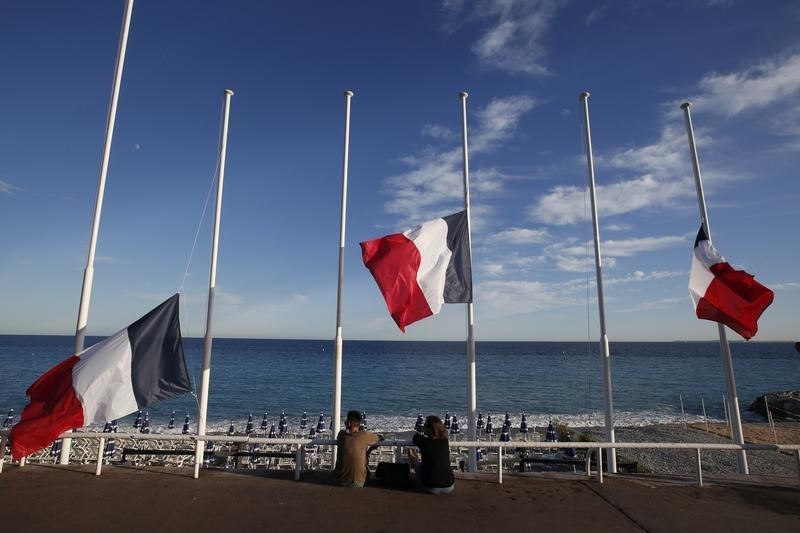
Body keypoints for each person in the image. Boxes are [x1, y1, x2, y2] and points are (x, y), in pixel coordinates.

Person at [333, 410, 382, 487]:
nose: (345, 423)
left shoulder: (341, 435)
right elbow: (380, 438)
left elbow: (343, 436)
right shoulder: (365, 436)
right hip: (359, 482)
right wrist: (370, 449)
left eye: (346, 421)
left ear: (349, 423)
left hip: (341, 480)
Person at [409, 415, 455, 494]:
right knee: (422, 466)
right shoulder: (445, 441)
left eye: (425, 426)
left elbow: (415, 437)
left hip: (431, 487)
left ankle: (414, 463)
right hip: (450, 486)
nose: (423, 427)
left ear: (430, 429)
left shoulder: (425, 442)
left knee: (414, 471)